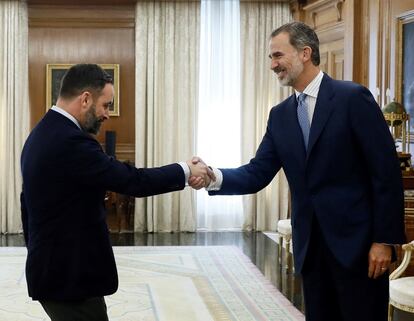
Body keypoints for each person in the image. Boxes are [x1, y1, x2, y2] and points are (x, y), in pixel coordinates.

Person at [190, 22, 406, 321]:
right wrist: (214, 176)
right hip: (310, 250)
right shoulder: (279, 116)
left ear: (305, 53)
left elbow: (385, 174)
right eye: (270, 58)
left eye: (278, 55)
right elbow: (257, 172)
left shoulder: (352, 98)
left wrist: (384, 241)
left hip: (359, 248)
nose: (273, 64)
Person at [20, 63, 213, 321]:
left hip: (57, 270)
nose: (107, 114)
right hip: (67, 277)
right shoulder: (69, 142)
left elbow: (26, 205)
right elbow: (134, 181)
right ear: (86, 99)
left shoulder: (43, 131)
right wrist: (187, 170)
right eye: (106, 105)